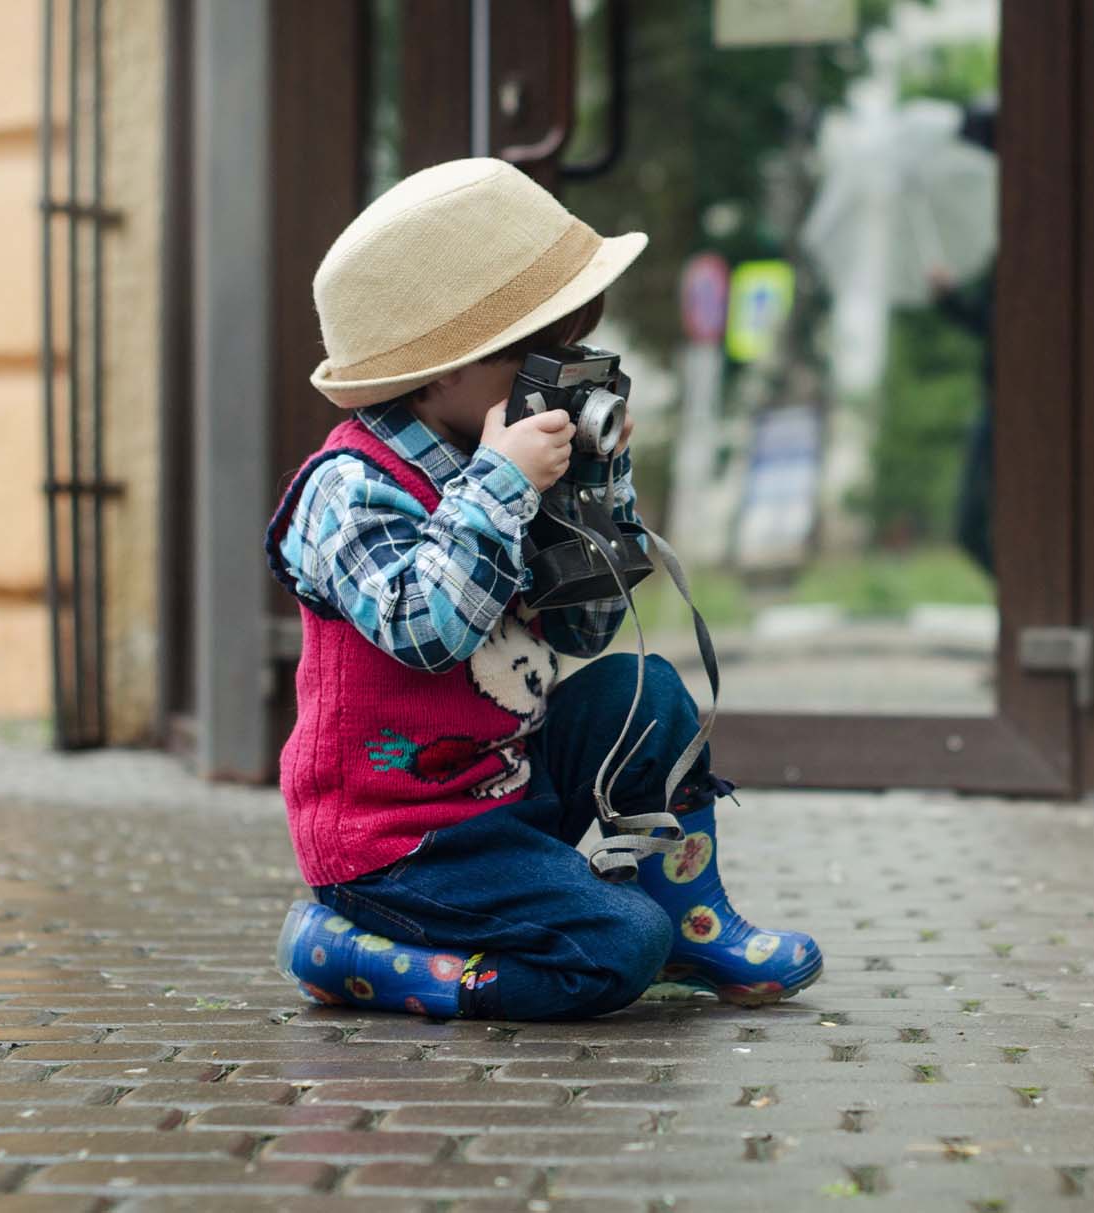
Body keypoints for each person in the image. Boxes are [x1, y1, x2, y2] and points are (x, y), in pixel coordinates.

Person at [264, 158, 822, 1021]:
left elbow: (589, 629)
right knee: (614, 946)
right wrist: (500, 484)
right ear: (441, 367)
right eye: (540, 354)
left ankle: (691, 917)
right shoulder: (349, 488)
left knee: (649, 690)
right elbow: (427, 631)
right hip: (400, 843)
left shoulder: (511, 464)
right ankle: (362, 956)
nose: (556, 376)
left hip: (505, 791)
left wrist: (598, 484)